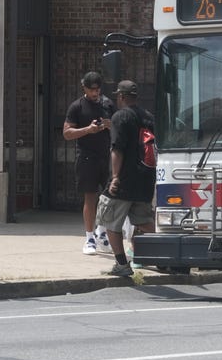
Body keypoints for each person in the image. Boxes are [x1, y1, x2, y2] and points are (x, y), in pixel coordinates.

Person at [97, 80, 156, 277]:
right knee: (145, 222)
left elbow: (117, 149)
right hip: (145, 179)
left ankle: (122, 264)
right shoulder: (148, 117)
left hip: (124, 180)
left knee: (110, 220)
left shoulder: (120, 116)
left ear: (121, 96)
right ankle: (165, 257)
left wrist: (115, 177)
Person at [63, 71, 115, 255]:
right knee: (90, 197)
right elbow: (67, 133)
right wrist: (88, 129)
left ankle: (102, 231)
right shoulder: (77, 106)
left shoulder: (108, 104)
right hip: (86, 156)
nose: (95, 93)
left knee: (109, 197)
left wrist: (109, 124)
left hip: (106, 156)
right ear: (84, 87)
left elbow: (118, 127)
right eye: (91, 89)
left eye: (97, 89)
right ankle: (89, 237)